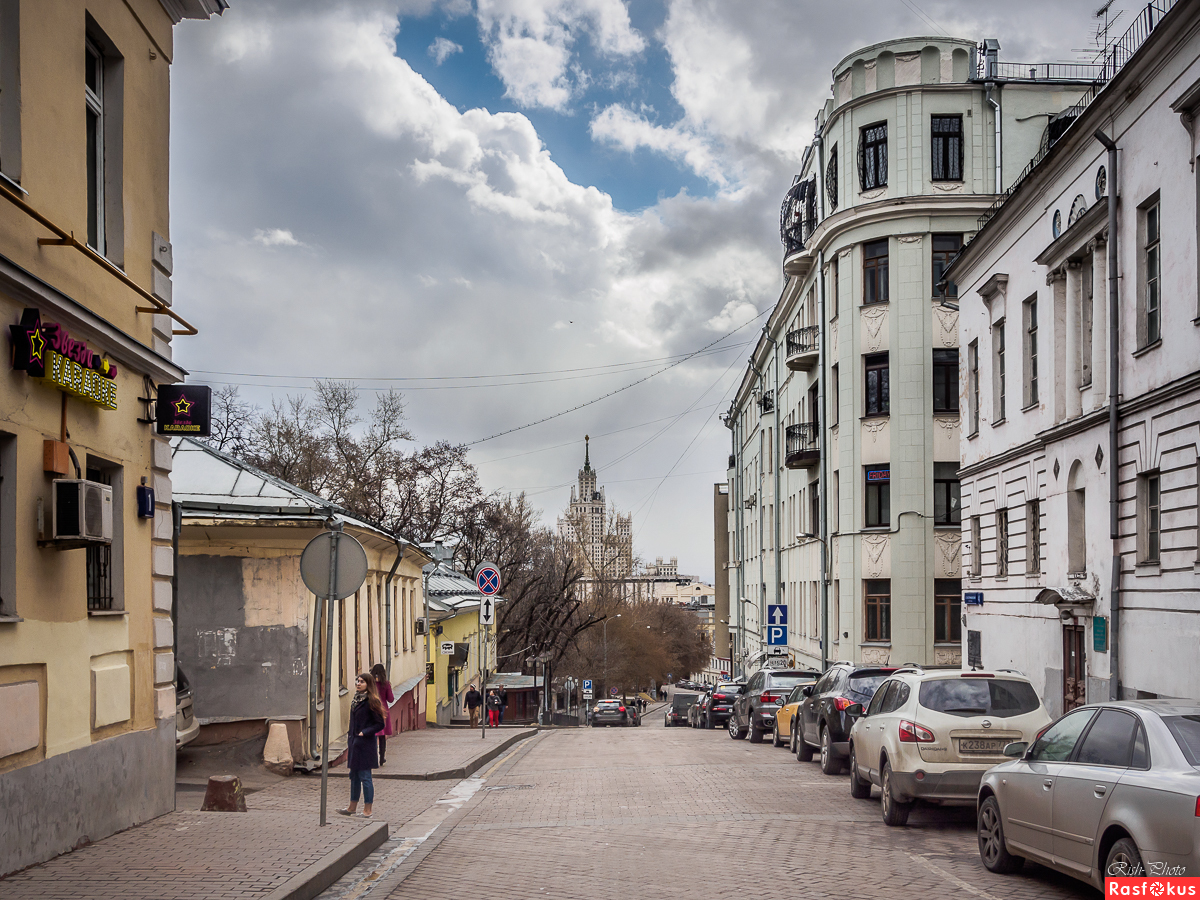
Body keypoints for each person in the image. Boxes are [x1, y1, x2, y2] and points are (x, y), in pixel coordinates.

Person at [338, 672, 386, 819]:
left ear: (369, 684)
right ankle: (351, 807)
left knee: (365, 777)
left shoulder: (372, 701)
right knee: (354, 776)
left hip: (365, 745)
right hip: (354, 744)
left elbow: (379, 724)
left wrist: (364, 733)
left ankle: (368, 809)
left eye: (362, 682)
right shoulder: (356, 700)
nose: (358, 684)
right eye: (357, 681)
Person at [370, 664, 393, 765]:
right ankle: (382, 757)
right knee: (382, 736)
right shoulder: (386, 684)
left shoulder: (370, 685)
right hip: (383, 711)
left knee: (373, 734)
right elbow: (391, 699)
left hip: (371, 709)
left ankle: (373, 757)